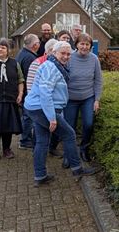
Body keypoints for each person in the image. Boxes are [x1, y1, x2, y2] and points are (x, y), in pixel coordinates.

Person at [24, 41, 97, 187]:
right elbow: (45, 93)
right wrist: (52, 118)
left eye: (68, 54)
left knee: (42, 141)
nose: (66, 56)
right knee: (69, 135)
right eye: (62, 53)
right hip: (42, 109)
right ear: (54, 53)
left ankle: (40, 175)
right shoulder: (51, 67)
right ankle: (77, 169)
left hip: (36, 107)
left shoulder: (54, 66)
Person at [65, 33, 103, 162]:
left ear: (90, 46)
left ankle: (84, 149)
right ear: (76, 45)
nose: (84, 47)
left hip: (88, 97)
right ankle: (68, 154)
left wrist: (97, 99)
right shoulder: (69, 58)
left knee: (88, 124)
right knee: (70, 127)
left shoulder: (94, 59)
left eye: (87, 44)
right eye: (82, 44)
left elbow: (98, 80)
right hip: (71, 99)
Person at [26, 39, 61, 157]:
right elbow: (31, 86)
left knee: (52, 131)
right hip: (40, 105)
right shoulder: (37, 63)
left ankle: (51, 148)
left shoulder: (59, 64)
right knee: (39, 130)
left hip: (54, 104)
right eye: (55, 50)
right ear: (49, 51)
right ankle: (38, 152)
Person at [16, 34, 40, 150]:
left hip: (23, 92)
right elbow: (30, 78)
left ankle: (25, 139)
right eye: (38, 43)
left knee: (26, 117)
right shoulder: (30, 58)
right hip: (27, 93)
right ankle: (25, 141)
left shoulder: (21, 54)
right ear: (35, 45)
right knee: (27, 117)